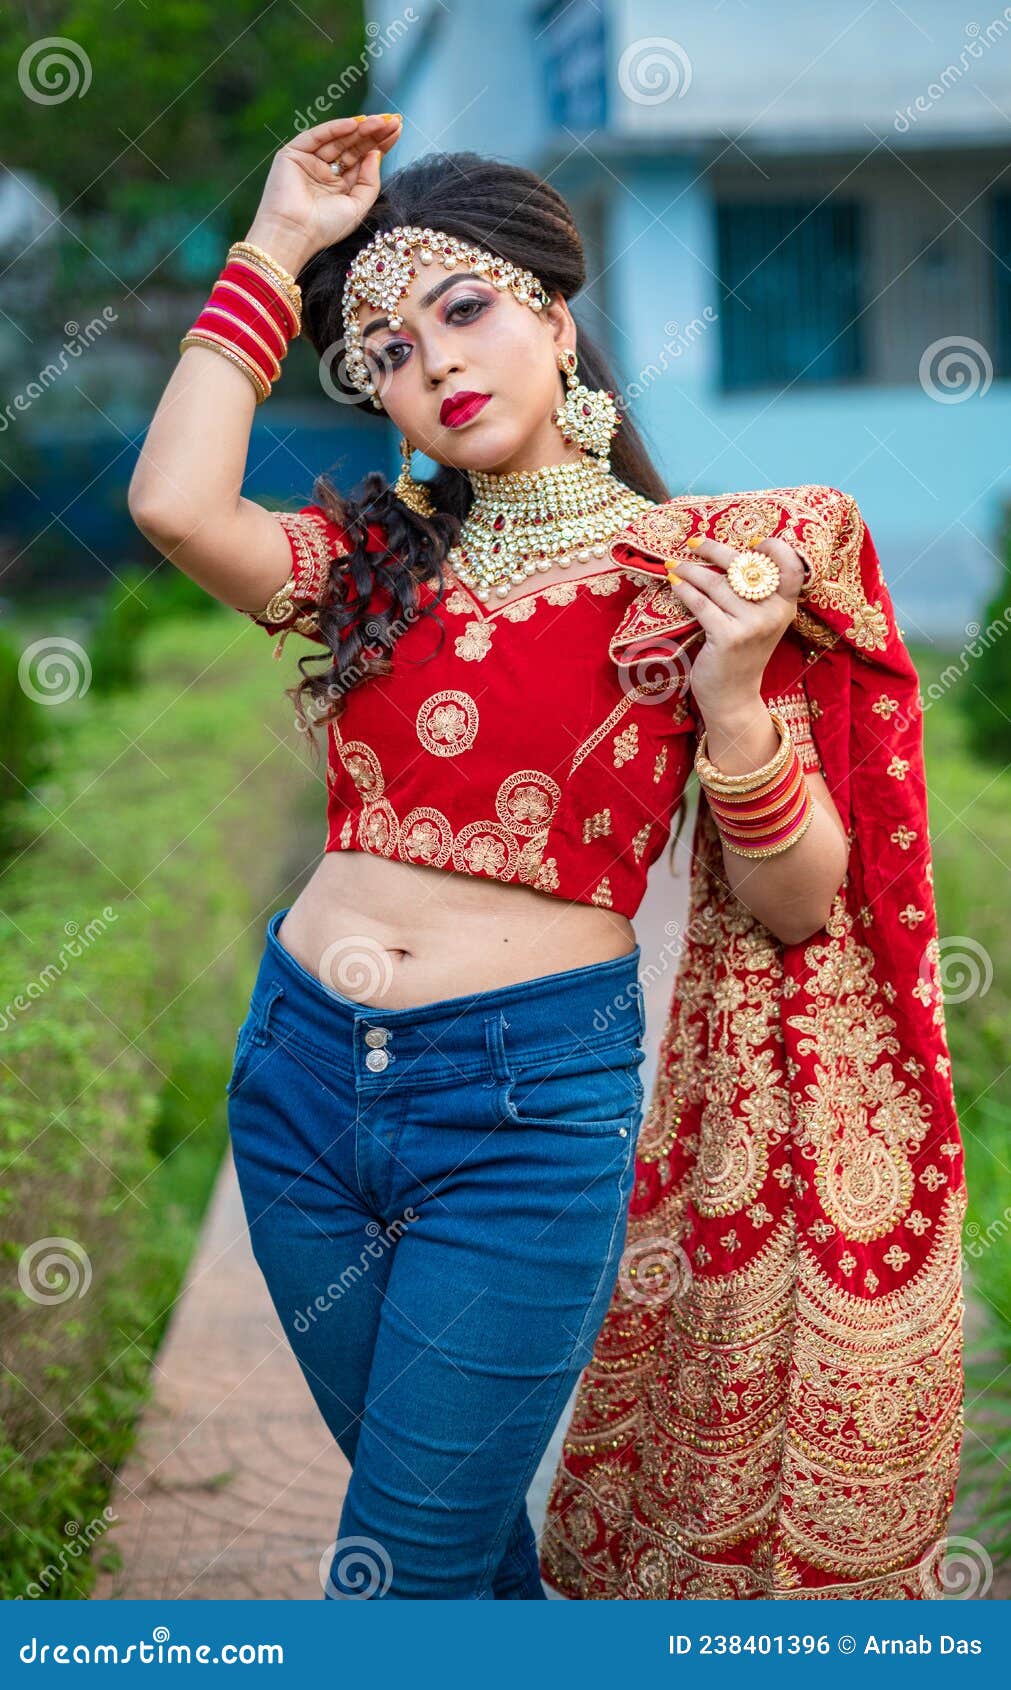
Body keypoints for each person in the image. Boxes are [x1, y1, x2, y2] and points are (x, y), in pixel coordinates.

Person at [126, 114, 963, 1601]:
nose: (433, 360)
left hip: (518, 1116)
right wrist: (273, 245)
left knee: (399, 1567)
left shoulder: (701, 570)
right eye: (384, 347)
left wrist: (731, 697)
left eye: (463, 309)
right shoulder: (380, 556)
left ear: (556, 317)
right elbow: (175, 506)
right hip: (303, 1082)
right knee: (456, 1545)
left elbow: (802, 901)